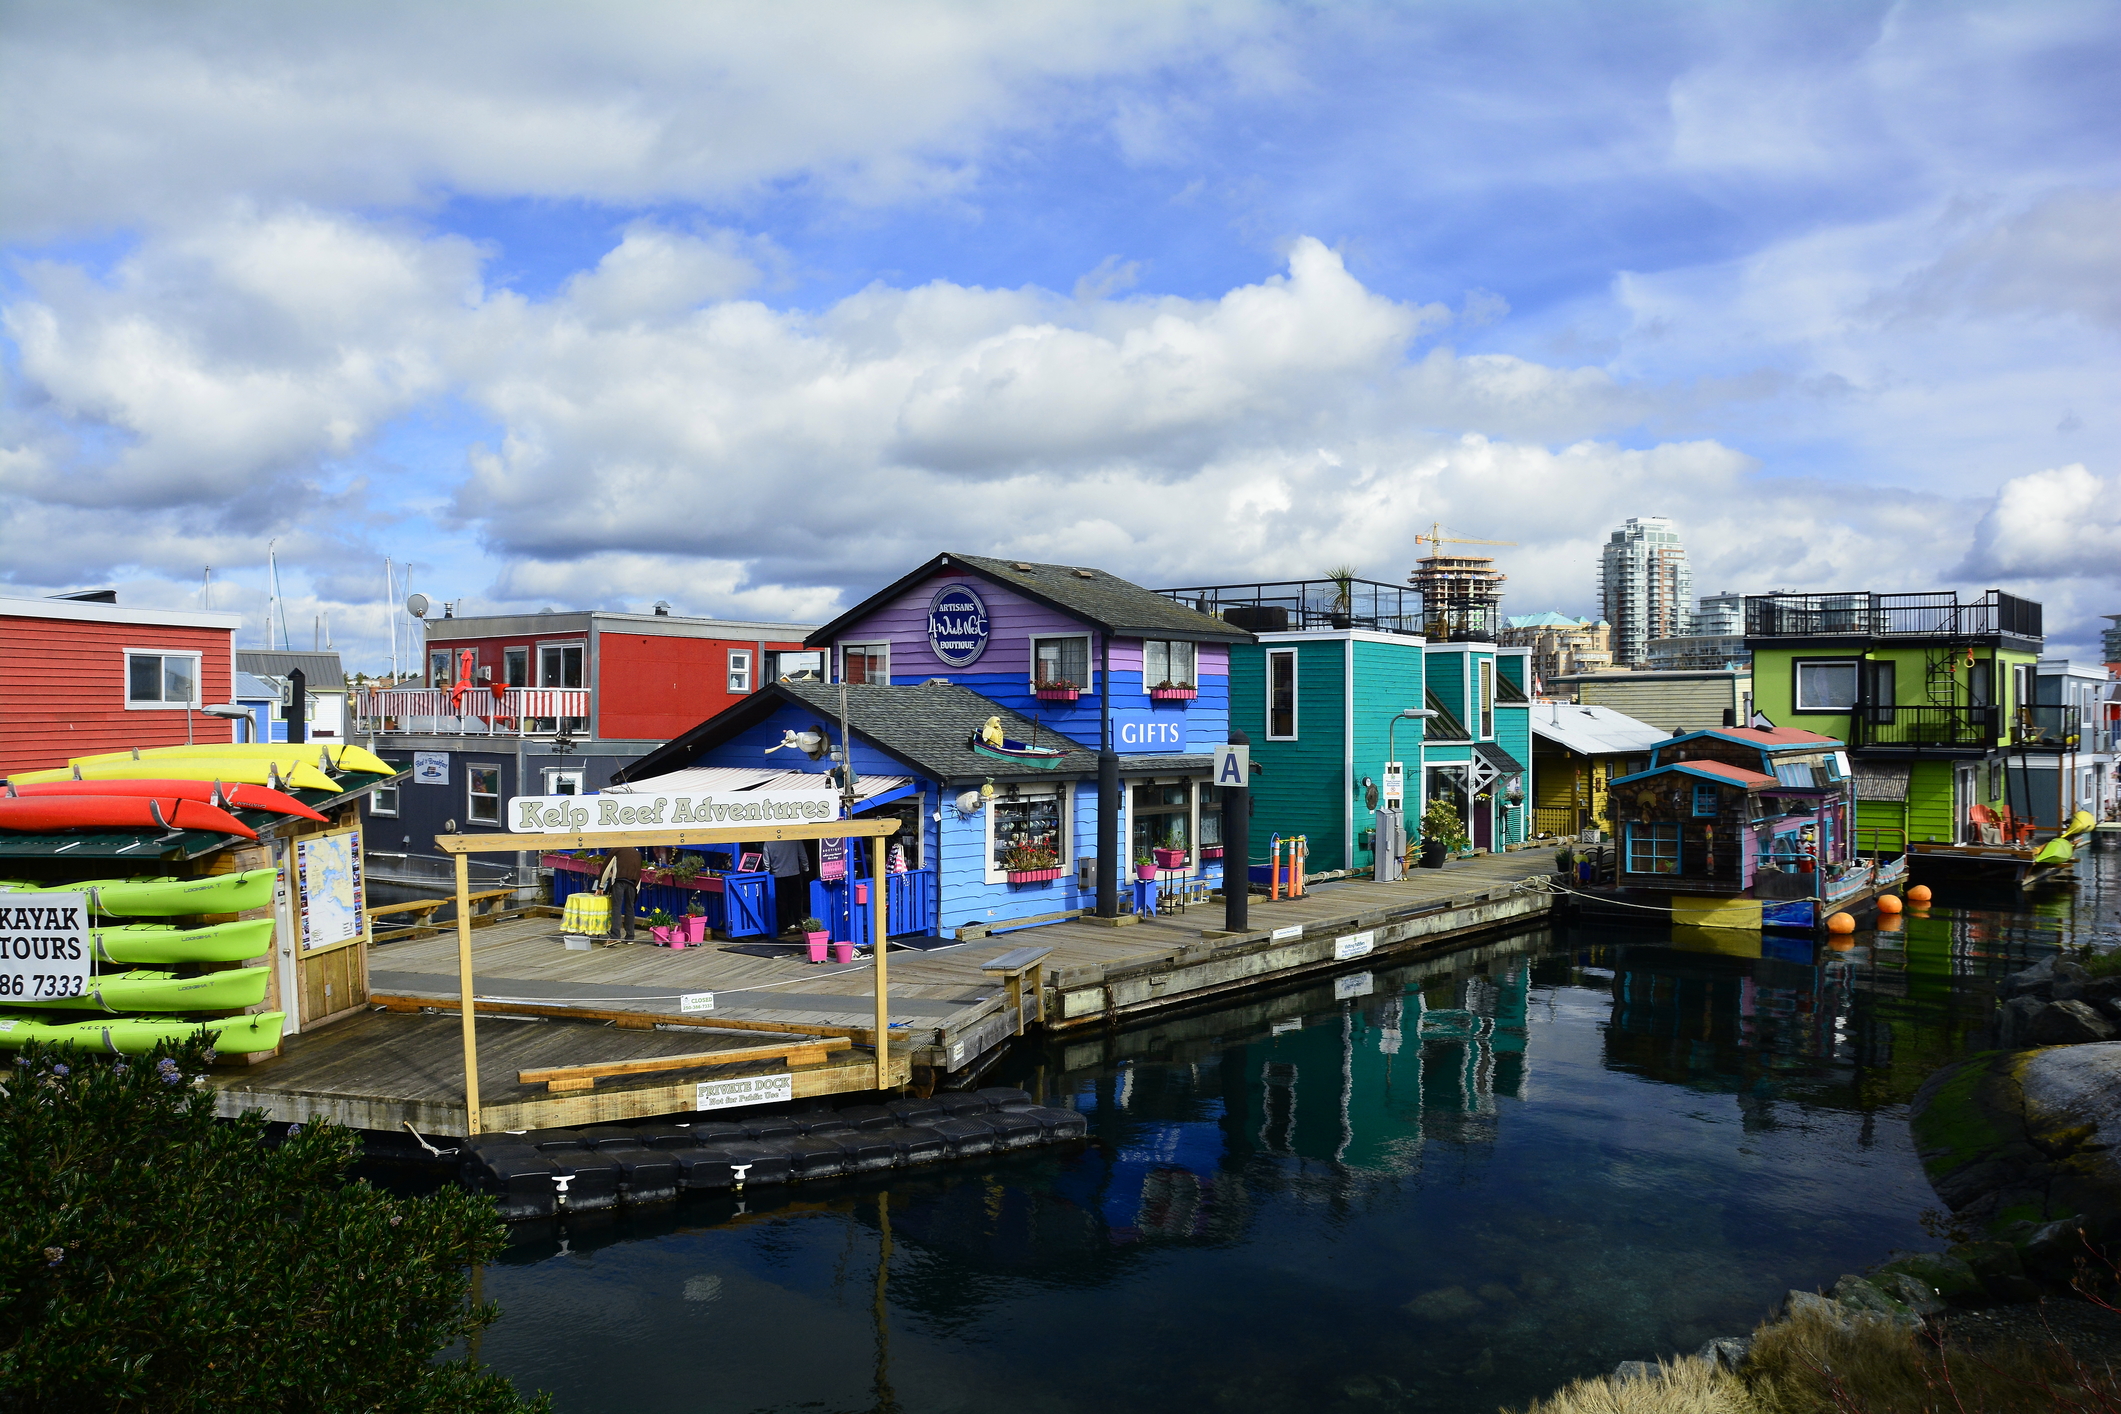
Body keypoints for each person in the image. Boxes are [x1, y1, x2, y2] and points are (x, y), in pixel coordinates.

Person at [763, 838, 811, 936]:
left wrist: (767, 872)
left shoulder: (768, 842)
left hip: (778, 875)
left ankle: (783, 927)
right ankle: (798, 923)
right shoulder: (794, 838)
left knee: (781, 902)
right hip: (794, 873)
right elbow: (802, 855)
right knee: (796, 899)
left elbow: (766, 862)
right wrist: (806, 868)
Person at [606, 845, 643, 944]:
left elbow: (606, 867)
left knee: (616, 908)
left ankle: (615, 936)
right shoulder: (637, 854)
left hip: (619, 881)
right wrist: (637, 890)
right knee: (630, 908)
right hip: (633, 883)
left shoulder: (616, 850)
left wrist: (600, 886)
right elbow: (639, 872)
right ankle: (630, 937)